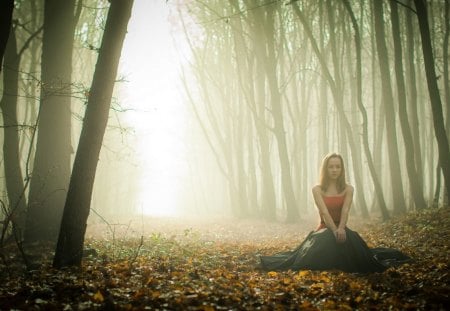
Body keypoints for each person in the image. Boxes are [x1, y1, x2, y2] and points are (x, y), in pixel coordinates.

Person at [259, 153, 410, 273]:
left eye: (337, 167)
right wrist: (334, 230)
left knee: (360, 255)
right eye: (331, 167)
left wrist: (341, 229)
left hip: (342, 229)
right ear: (325, 169)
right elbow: (324, 212)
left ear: (342, 169)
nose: (334, 170)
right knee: (312, 255)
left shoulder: (348, 189)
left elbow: (345, 211)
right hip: (324, 229)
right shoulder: (317, 189)